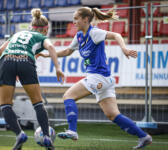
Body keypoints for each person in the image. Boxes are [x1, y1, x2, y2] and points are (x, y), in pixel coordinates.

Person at [38, 7, 152, 149]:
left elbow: (116, 35)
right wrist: (46, 55)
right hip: (104, 80)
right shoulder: (79, 35)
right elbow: (67, 51)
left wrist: (124, 48)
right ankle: (144, 136)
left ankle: (72, 130)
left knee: (68, 96)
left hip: (98, 77)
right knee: (112, 115)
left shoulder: (94, 33)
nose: (74, 22)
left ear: (85, 19)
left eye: (76, 19)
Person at [0, 8, 64, 150]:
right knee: (38, 103)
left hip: (6, 61)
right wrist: (58, 68)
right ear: (45, 29)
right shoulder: (42, 37)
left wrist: (13, 65)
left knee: (5, 105)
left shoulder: (18, 33)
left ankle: (19, 134)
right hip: (25, 61)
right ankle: (46, 137)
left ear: (31, 26)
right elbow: (51, 47)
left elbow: (0, 50)